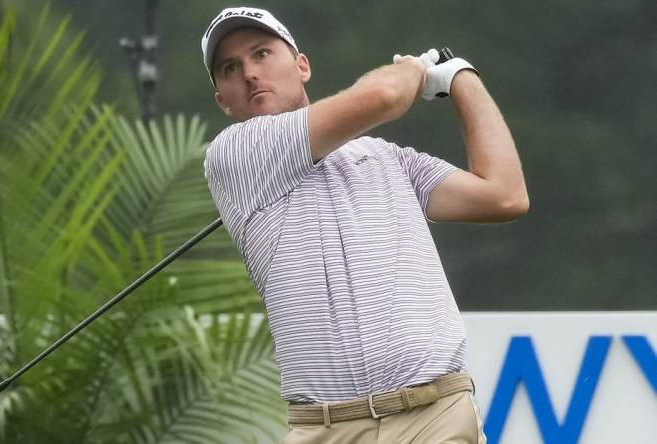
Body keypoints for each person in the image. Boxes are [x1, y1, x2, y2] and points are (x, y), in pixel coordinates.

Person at [200, 6, 528, 444]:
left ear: (302, 66)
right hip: (327, 428)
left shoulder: (389, 158)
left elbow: (504, 194)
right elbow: (384, 97)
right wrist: (415, 69)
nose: (250, 73)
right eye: (230, 68)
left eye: (262, 54)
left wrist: (462, 78)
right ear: (223, 100)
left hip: (434, 415)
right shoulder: (234, 156)